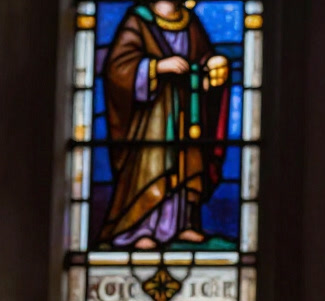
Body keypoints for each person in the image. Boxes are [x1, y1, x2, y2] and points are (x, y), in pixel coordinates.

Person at [99, 0, 230, 250]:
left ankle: (184, 225)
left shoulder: (189, 22)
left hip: (188, 108)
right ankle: (141, 226)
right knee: (152, 165)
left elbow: (204, 58)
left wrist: (212, 66)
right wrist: (156, 67)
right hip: (152, 117)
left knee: (188, 165)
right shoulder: (138, 20)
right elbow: (118, 68)